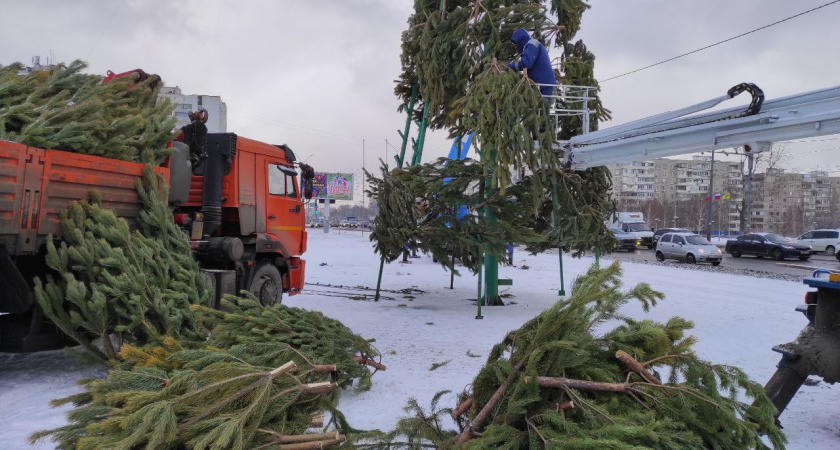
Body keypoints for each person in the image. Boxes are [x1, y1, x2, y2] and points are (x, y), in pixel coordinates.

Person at [508, 28, 556, 99]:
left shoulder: (531, 45)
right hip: (543, 81)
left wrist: (511, 66)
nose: (516, 45)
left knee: (541, 107)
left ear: (521, 40)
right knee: (540, 107)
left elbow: (526, 63)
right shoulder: (532, 44)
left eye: (517, 43)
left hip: (542, 83)